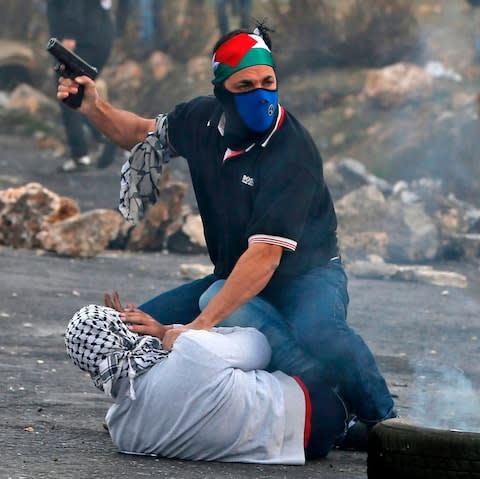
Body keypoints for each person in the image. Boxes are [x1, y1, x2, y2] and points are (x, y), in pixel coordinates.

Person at [56, 24, 396, 449]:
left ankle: (382, 420)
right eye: (246, 86)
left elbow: (267, 256)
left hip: (306, 278)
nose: (261, 95)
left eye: (268, 82)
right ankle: (154, 408)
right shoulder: (200, 121)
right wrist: (92, 106)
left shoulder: (292, 151)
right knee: (134, 330)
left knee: (319, 331)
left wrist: (197, 329)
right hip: (235, 274)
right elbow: (139, 134)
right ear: (222, 93)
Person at [65, 301, 348, 463]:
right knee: (225, 297)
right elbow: (260, 346)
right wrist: (172, 332)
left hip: (300, 451)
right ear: (126, 329)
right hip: (319, 408)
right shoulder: (193, 351)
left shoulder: (122, 432)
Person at [47, 0, 117, 171]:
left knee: (67, 92)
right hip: (96, 35)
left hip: (84, 37)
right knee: (77, 93)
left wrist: (70, 34)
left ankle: (82, 153)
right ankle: (105, 135)